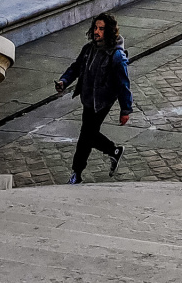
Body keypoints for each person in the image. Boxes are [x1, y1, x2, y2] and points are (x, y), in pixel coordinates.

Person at [55, 12, 132, 184]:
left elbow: (123, 84)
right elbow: (75, 67)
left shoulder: (116, 56)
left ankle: (77, 173)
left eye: (101, 29)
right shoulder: (89, 49)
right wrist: (64, 81)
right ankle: (113, 151)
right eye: (95, 28)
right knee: (88, 134)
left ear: (109, 31)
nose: (97, 32)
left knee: (86, 135)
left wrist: (125, 109)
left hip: (102, 101)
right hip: (88, 99)